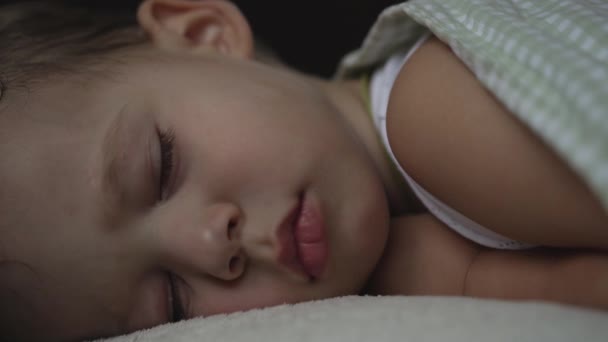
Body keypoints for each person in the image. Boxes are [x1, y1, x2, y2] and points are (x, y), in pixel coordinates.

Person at [0, 0, 606, 340]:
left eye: (162, 167)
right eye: (173, 304)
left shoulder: (427, 110)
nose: (213, 246)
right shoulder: (402, 258)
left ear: (204, 35)